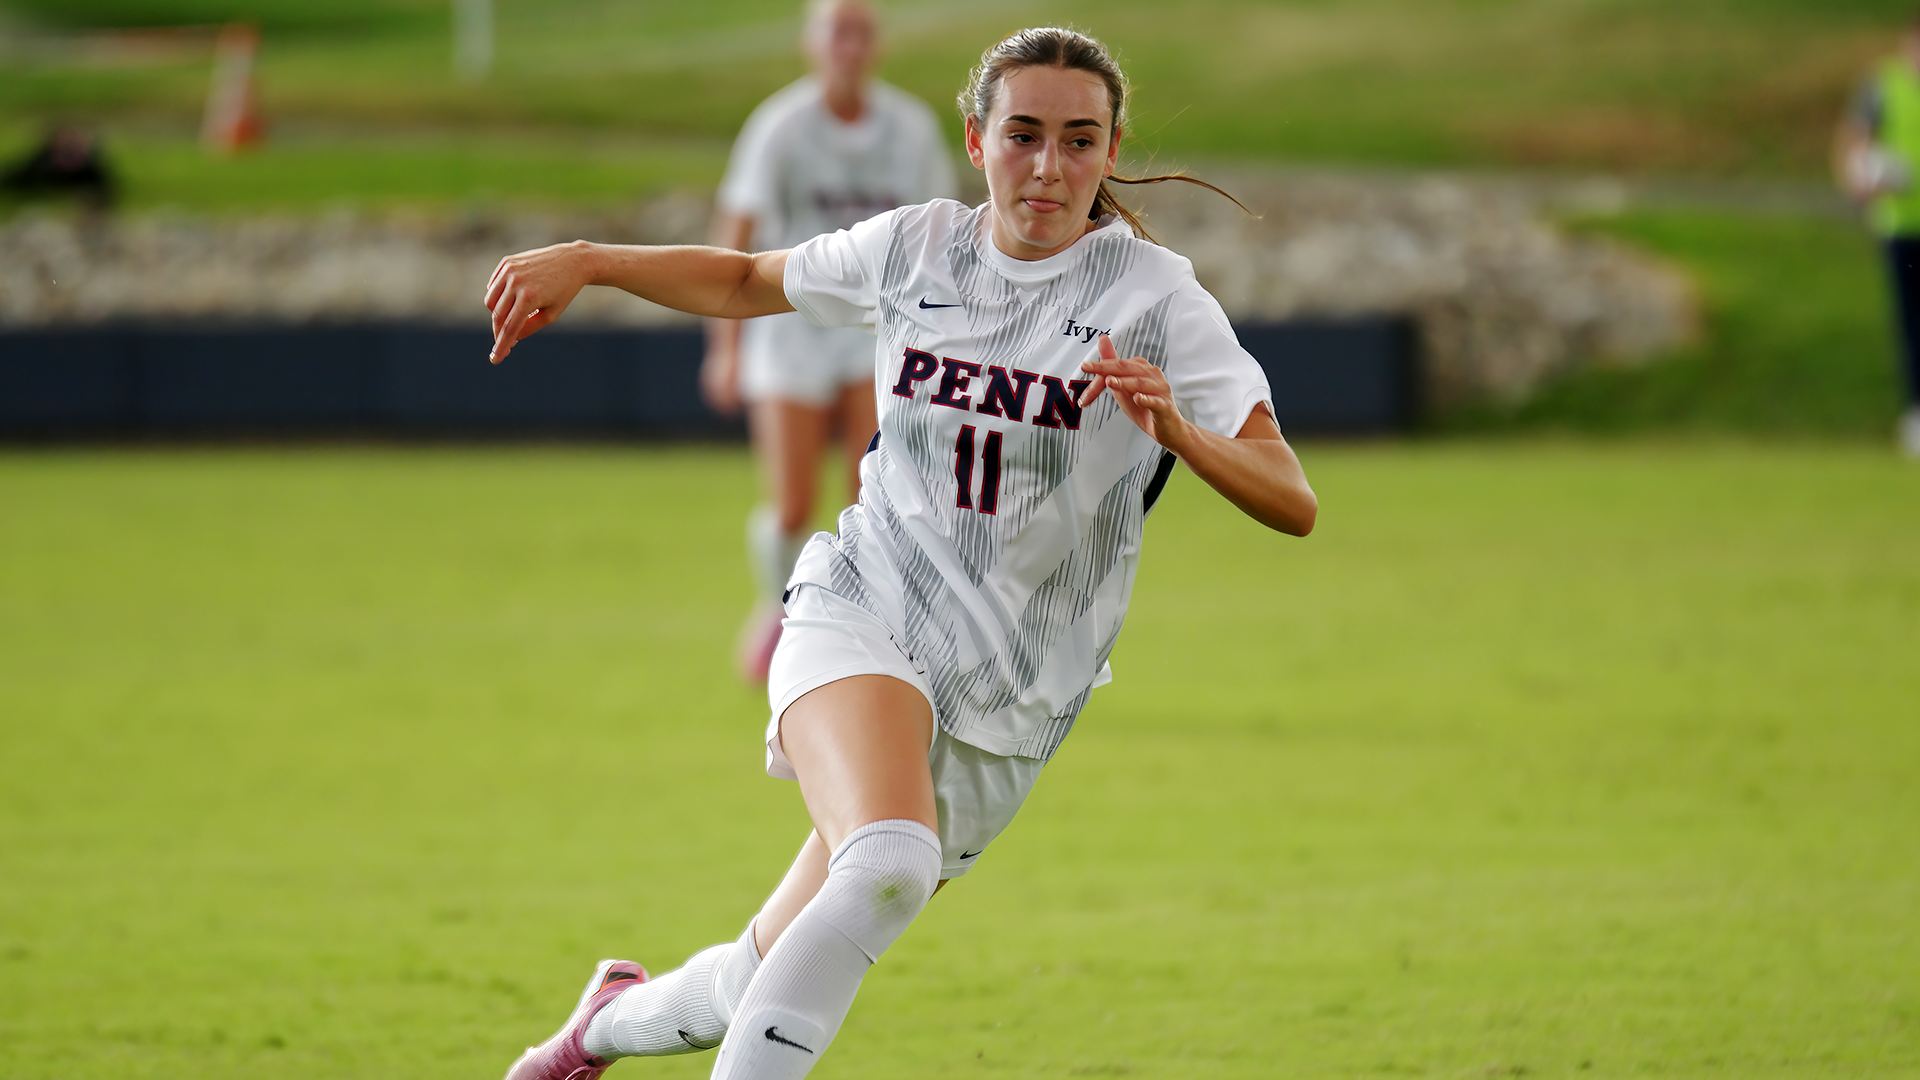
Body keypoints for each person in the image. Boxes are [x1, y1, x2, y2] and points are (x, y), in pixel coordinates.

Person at [484, 26, 1318, 1080]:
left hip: (1014, 692)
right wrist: (593, 261)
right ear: (975, 140)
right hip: (864, 606)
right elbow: (744, 279)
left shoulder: (1157, 299)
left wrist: (1182, 435)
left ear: (1111, 151)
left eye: (1078, 140)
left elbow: (1293, 498)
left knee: (761, 974)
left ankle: (596, 1029)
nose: (1048, 166)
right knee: (888, 860)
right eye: (1022, 134)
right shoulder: (917, 247)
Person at [705, 0, 957, 679]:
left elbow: (940, 236)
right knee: (790, 502)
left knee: (867, 499)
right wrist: (724, 348)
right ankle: (776, 605)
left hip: (874, 336)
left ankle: (854, 630)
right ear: (811, 43)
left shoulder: (910, 128)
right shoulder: (781, 126)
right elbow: (735, 235)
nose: (850, 46)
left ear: (879, 45)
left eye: (862, 32)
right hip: (789, 330)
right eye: (838, 31)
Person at [1835, 12, 1920, 458]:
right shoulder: (1884, 85)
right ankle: (1917, 415)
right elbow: (1853, 146)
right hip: (1902, 226)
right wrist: (1863, 181)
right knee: (1912, 323)